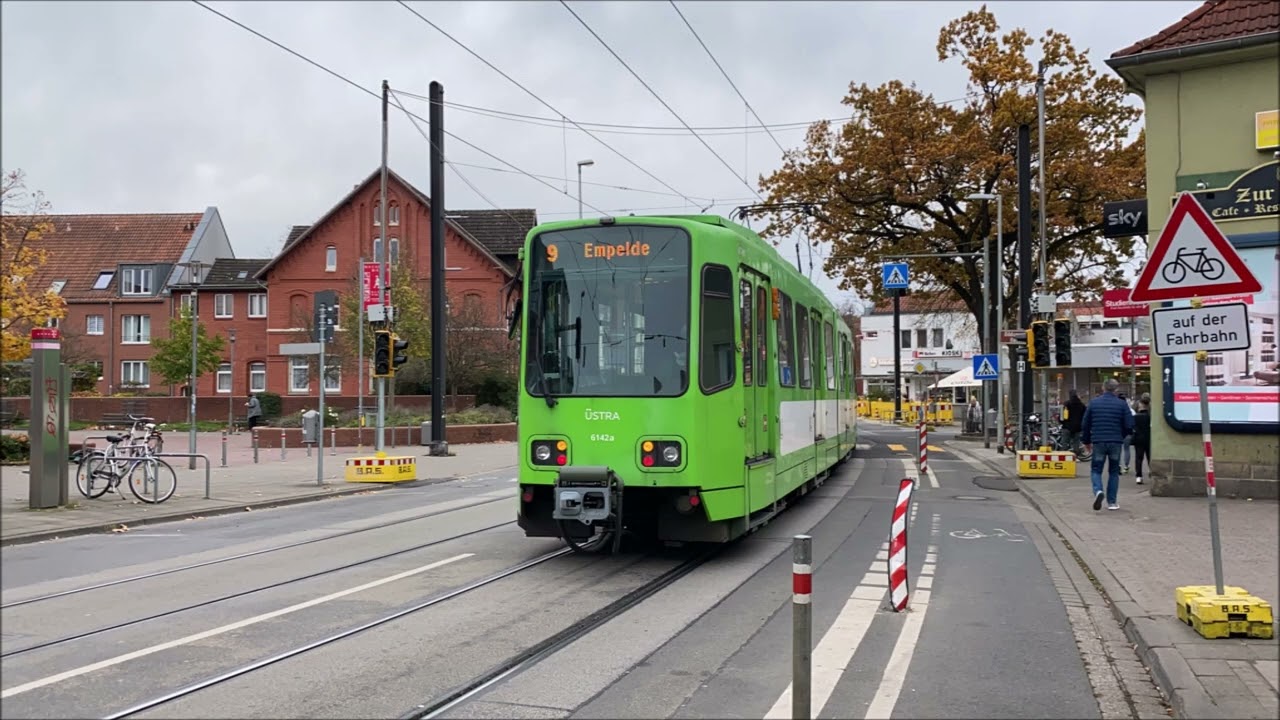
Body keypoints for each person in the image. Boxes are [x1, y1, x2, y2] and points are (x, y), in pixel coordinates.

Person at [1081, 378, 1134, 511]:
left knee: (1096, 470)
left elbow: (1085, 424)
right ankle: (1112, 502)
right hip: (1115, 442)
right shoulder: (1122, 404)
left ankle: (1098, 491)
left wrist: (1086, 441)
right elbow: (1129, 425)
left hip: (1098, 441)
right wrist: (1120, 435)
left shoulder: (1093, 403)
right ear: (1116, 390)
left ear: (1103, 388)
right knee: (1114, 472)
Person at [1062, 389, 1087, 453]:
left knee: (1065, 442)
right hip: (1078, 427)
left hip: (1067, 426)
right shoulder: (1082, 405)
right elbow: (1085, 416)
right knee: (1076, 442)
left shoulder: (1067, 404)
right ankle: (1076, 456)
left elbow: (1063, 416)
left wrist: (1063, 423)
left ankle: (1065, 455)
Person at [1133, 398, 1151, 485]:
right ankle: (1151, 472)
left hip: (1138, 439)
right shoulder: (1151, 417)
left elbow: (1132, 428)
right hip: (1149, 439)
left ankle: (1139, 477)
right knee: (1150, 457)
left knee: (1139, 458)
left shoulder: (1135, 417)